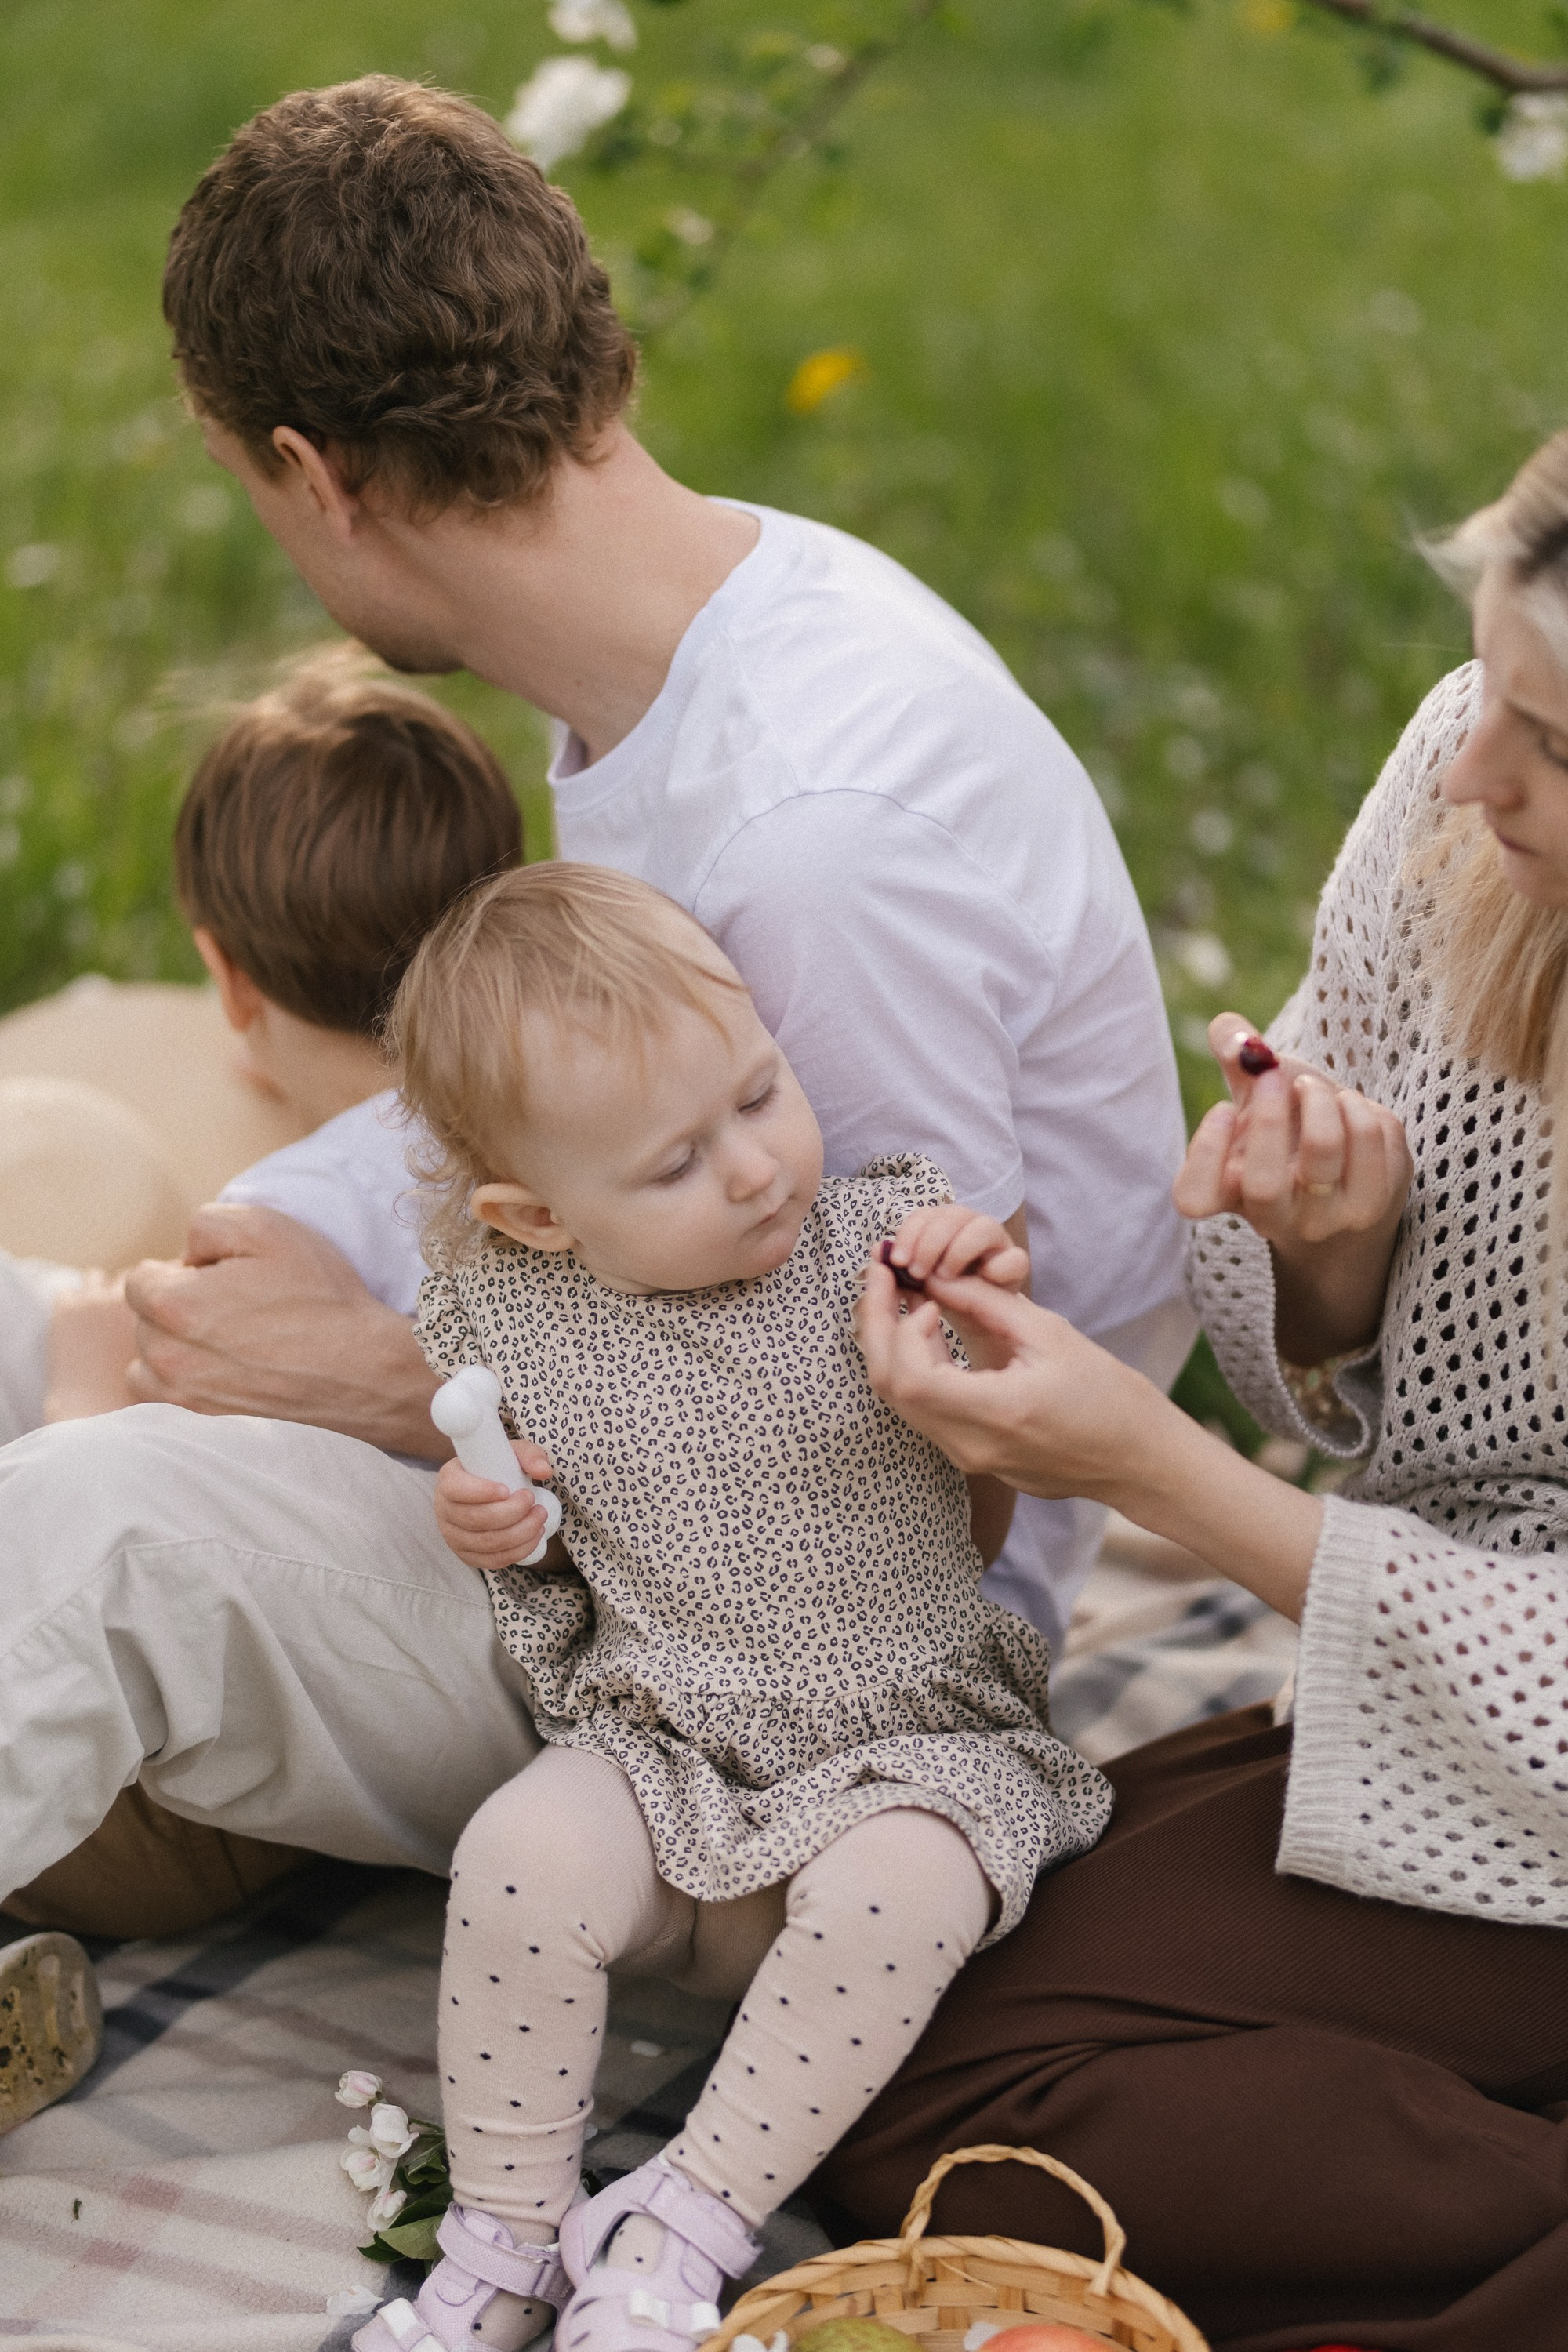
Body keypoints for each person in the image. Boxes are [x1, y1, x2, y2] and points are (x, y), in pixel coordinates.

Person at [0, 74, 1189, 1933]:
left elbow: (904, 1445)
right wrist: (281, 1240)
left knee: (102, 1527)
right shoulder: (698, 640)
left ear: (316, 475)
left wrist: (404, 1390)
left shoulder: (811, 845)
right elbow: (588, 1123)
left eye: (253, 492)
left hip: (808, 1672)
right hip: (629, 1457)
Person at [830, 432, 1568, 2351]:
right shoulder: (1465, 793)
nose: (1474, 767)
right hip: (1449, 1706)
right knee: (884, 2032)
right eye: (1486, 682)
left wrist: (1145, 1468)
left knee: (965, 2113)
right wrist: (1333, 1251)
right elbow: (1334, 1389)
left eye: (1555, 744)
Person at [352, 862, 1109, 2352]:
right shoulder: (514, 1324)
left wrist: (985, 1318)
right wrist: (498, 1525)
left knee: (913, 1884)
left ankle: (681, 2225)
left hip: (908, 1746)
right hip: (671, 1754)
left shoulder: (884, 1251)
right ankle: (507, 2241)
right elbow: (549, 1545)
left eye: (761, 1094)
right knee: (516, 1854)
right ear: (539, 1217)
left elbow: (1019, 1450)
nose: (758, 1168)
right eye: (675, 1164)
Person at [2, 652, 524, 1940]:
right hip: (451, 1656)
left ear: (227, 979)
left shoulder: (281, 1217)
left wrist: (80, 1378)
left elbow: (119, 1502)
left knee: (58, 1358)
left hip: (258, 1775)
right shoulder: (556, 1125)